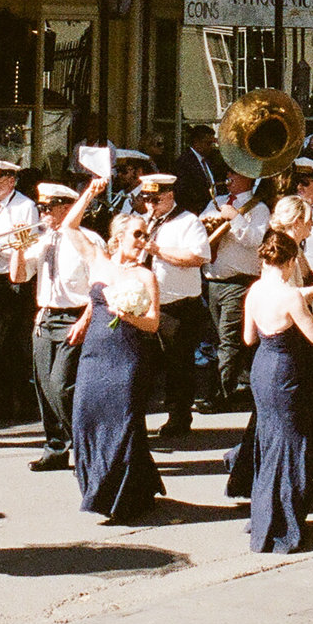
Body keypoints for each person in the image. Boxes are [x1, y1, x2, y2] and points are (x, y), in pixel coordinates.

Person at [226, 226, 313, 551]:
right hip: (287, 373)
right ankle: (283, 523)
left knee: (269, 442)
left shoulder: (254, 291)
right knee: (291, 445)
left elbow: (249, 338)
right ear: (291, 260)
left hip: (262, 368)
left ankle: (263, 516)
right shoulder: (291, 295)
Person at [69, 213, 164, 523]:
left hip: (126, 355)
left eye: (145, 235)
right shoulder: (99, 261)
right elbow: (69, 225)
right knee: (86, 416)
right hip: (94, 353)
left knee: (122, 422)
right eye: (137, 234)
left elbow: (152, 324)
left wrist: (127, 315)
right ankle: (99, 483)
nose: (143, 241)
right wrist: (92, 189)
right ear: (119, 236)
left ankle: (120, 495)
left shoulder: (146, 276)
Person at [19, 178, 102, 472]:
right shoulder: (44, 239)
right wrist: (17, 248)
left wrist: (85, 320)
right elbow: (19, 277)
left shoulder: (88, 239)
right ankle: (55, 448)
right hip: (46, 316)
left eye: (48, 208)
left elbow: (99, 285)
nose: (43, 214)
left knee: (61, 386)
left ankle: (86, 444)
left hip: (74, 314)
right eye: (41, 208)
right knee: (43, 386)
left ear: (69, 208)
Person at [139, 174, 212, 442]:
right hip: (146, 304)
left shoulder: (188, 222)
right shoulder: (144, 220)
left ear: (170, 196)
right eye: (145, 199)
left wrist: (158, 250)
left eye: (155, 199)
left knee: (178, 365)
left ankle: (179, 416)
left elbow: (198, 257)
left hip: (177, 305)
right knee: (144, 362)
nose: (149, 205)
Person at [0, 158, 41, 421]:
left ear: (12, 180)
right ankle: (0, 403)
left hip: (15, 281)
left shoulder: (25, 206)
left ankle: (25, 401)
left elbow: (26, 243)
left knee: (11, 345)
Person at [201, 167, 269, 412]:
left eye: (234, 175)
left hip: (239, 282)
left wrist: (234, 218)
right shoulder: (217, 202)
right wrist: (208, 222)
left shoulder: (258, 208)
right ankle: (238, 382)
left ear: (248, 178)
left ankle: (220, 392)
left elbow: (255, 240)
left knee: (228, 340)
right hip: (213, 281)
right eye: (227, 173)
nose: (228, 178)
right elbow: (200, 232)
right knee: (217, 339)